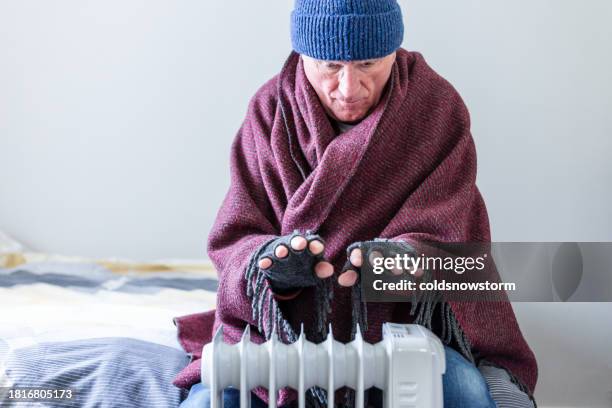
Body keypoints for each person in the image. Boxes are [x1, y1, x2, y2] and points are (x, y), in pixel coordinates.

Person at [175, 1, 538, 407]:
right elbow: (234, 236)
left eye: (368, 63)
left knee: (470, 392)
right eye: (330, 66)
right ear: (303, 55)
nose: (349, 88)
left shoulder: (436, 106)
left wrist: (400, 260)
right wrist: (272, 266)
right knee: (207, 399)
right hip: (283, 330)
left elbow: (456, 236)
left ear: (394, 49)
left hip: (404, 329)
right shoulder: (270, 110)